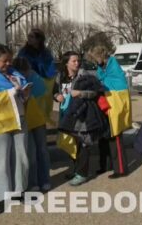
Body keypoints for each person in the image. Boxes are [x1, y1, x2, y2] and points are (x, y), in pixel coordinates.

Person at [54, 51, 103, 186]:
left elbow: (94, 92)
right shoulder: (60, 76)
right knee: (71, 144)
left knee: (82, 143)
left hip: (81, 115)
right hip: (66, 115)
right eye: (74, 61)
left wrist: (80, 93)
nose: (77, 63)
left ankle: (82, 174)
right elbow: (54, 91)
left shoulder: (84, 75)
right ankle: (76, 170)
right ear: (66, 63)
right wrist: (57, 96)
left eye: (78, 60)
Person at [85, 33, 131, 179]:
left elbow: (110, 83)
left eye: (95, 58)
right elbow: (101, 82)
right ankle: (105, 165)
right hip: (107, 104)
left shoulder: (112, 65)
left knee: (115, 137)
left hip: (115, 105)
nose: (94, 62)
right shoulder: (102, 67)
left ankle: (121, 169)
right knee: (104, 137)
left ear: (101, 55)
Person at [0, 44, 30, 215]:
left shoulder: (14, 73)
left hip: (19, 120)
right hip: (0, 122)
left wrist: (24, 91)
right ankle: (0, 197)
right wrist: (12, 91)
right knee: (1, 160)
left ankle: (19, 190)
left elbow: (24, 94)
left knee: (22, 156)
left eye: (9, 60)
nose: (8, 63)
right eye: (4, 61)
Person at [12, 57, 51, 192]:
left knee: (40, 151)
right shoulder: (13, 79)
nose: (25, 75)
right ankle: (34, 182)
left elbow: (42, 92)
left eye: (26, 72)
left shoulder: (34, 78)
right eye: (22, 72)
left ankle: (44, 180)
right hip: (26, 120)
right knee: (32, 153)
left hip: (36, 119)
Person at [17, 28, 56, 123]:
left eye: (31, 37)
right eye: (28, 36)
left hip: (43, 82)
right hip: (29, 81)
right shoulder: (24, 51)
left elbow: (50, 67)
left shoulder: (46, 53)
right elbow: (19, 65)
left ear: (39, 39)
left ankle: (41, 122)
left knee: (42, 108)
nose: (28, 39)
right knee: (30, 105)